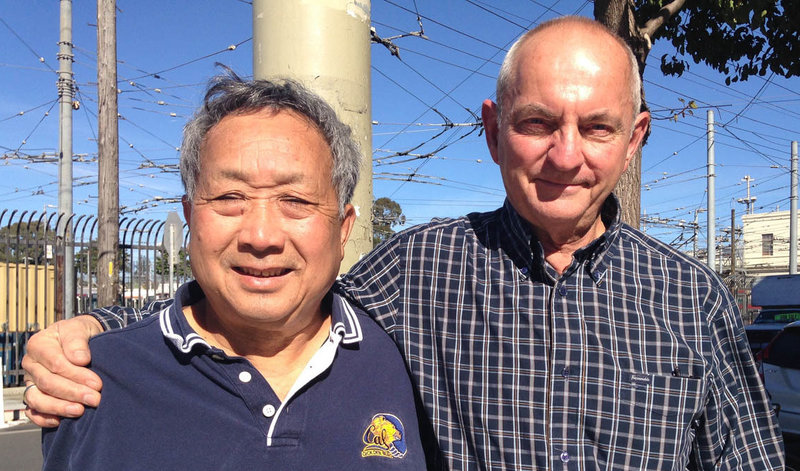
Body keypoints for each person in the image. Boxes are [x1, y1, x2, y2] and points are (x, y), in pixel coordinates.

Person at [23, 16, 784, 470]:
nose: (565, 154)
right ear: (491, 130)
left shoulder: (694, 299)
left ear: (635, 139)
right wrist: (96, 332)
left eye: (597, 127)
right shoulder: (422, 268)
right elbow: (273, 291)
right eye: (537, 123)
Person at [37, 72, 428, 470]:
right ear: (190, 216)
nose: (260, 236)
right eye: (229, 197)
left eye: (295, 200)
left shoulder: (407, 359)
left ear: (343, 229)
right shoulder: (90, 383)